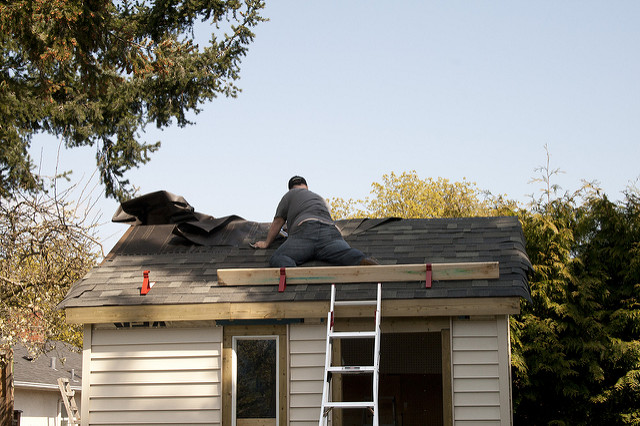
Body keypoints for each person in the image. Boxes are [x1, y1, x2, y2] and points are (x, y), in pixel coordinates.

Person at [253, 176, 378, 267]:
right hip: (330, 232)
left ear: (290, 189)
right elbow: (332, 223)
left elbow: (278, 221)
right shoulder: (319, 199)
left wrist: (266, 243)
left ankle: (296, 278)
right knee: (345, 254)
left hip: (305, 231)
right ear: (307, 187)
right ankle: (362, 260)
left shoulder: (289, 195)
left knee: (279, 257)